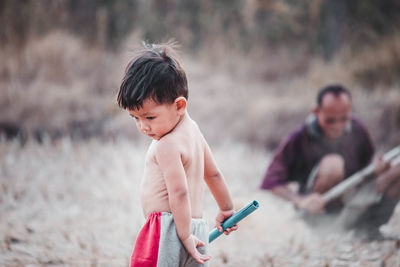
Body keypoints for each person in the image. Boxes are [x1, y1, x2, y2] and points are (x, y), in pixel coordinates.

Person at [117, 42, 237, 267]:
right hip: (196, 228)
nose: (143, 127)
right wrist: (226, 208)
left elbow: (179, 193)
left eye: (149, 117)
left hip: (168, 232)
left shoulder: (166, 145)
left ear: (179, 105)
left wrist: (182, 236)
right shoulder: (194, 132)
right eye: (136, 118)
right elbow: (213, 174)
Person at [260, 84, 400, 237]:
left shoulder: (357, 128)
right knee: (333, 164)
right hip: (319, 210)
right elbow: (270, 181)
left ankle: (369, 230)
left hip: (353, 201)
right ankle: (324, 229)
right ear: (316, 111)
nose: (337, 126)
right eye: (330, 120)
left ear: (350, 109)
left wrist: (378, 168)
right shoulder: (300, 137)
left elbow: (368, 166)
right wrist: (301, 201)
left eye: (343, 119)